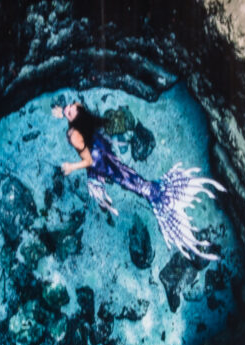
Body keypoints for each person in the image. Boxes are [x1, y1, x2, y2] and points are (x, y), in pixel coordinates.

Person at [51, 98, 225, 264]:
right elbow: (78, 118)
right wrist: (65, 115)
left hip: (98, 162)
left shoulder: (73, 135)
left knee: (109, 184)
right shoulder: (80, 111)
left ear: (77, 113)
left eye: (70, 110)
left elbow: (88, 161)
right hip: (103, 149)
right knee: (124, 175)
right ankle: (143, 193)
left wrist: (71, 166)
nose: (68, 108)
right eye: (69, 110)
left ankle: (143, 197)